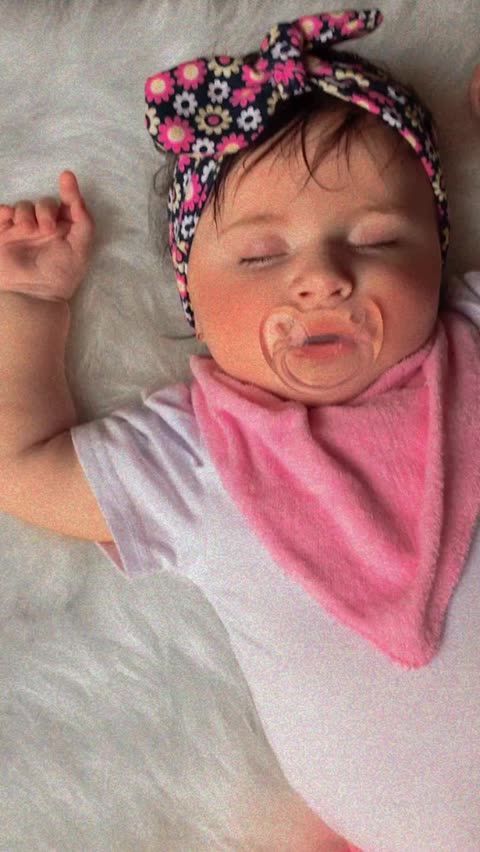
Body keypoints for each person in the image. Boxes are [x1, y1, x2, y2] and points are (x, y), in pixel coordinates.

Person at [0, 9, 479, 851]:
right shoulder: (195, 458)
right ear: (194, 298)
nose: (322, 279)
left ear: (438, 255)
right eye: (261, 256)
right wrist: (32, 309)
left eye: (378, 239)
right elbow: (25, 467)